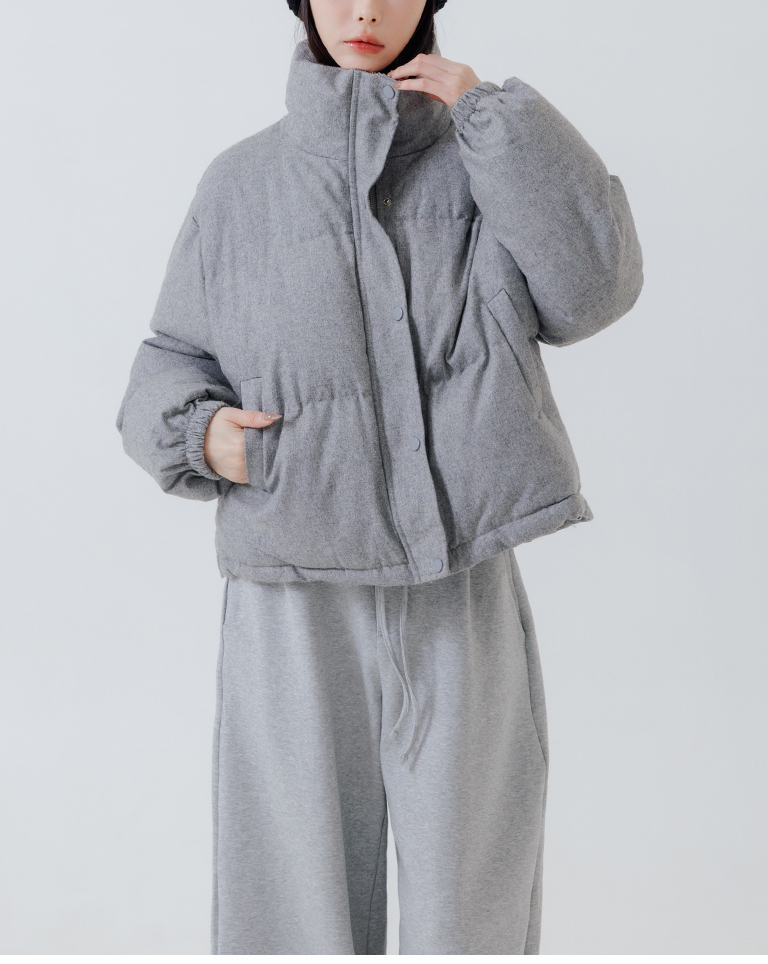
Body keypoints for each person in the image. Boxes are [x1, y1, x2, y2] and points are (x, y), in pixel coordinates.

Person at [116, 0, 643, 953]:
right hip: (291, 592)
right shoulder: (239, 185)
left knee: (471, 898)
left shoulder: (484, 159)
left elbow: (594, 290)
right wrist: (200, 435)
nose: (364, 10)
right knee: (289, 901)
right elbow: (168, 357)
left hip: (461, 579)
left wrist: (493, 117)